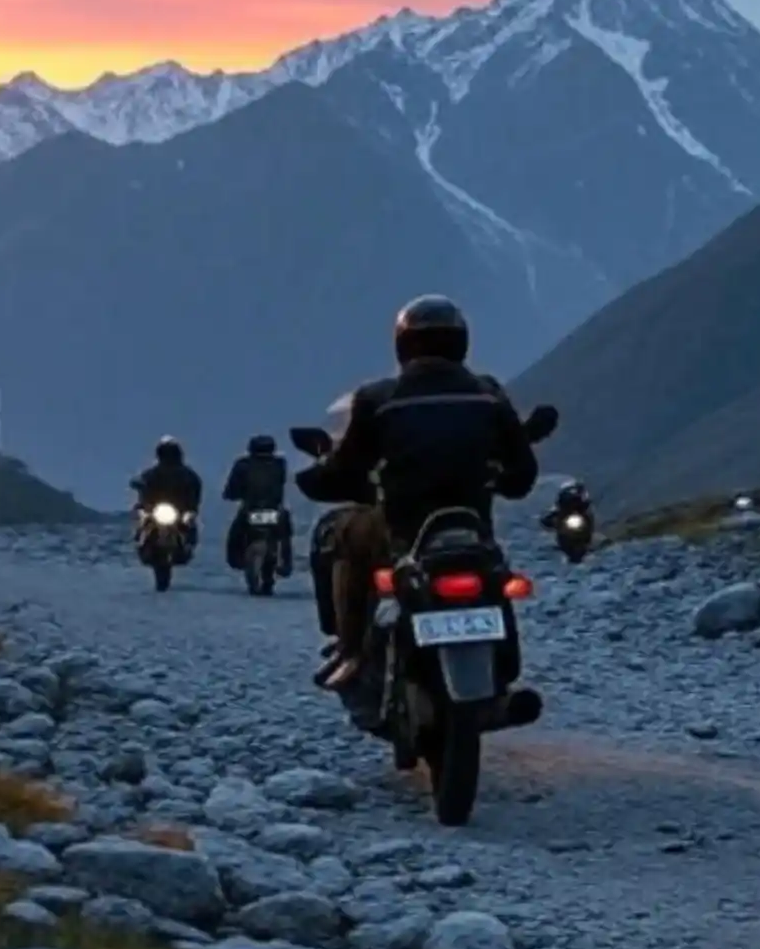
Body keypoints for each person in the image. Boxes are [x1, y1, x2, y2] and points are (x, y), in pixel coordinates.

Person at [298, 295, 540, 689]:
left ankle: (351, 649)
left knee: (342, 535)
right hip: (473, 526)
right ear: (462, 343)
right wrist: (503, 481)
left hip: (403, 529)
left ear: (403, 343)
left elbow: (345, 468)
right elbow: (523, 472)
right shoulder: (489, 393)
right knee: (492, 569)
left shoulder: (377, 399)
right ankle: (501, 667)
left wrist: (322, 479)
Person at [222, 434, 293, 576]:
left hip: (253, 508)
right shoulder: (279, 464)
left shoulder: (243, 464)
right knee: (285, 534)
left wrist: (231, 494)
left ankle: (237, 560)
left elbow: (232, 487)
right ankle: (285, 563)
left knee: (235, 533)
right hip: (272, 509)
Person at [131, 436, 204, 550]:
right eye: (165, 455)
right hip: (155, 509)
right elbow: (140, 483)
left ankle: (189, 543)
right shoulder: (151, 474)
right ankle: (140, 538)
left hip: (179, 510)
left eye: (171, 455)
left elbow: (196, 491)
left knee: (189, 522)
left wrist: (190, 508)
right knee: (143, 518)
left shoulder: (188, 475)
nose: (168, 458)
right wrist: (143, 501)